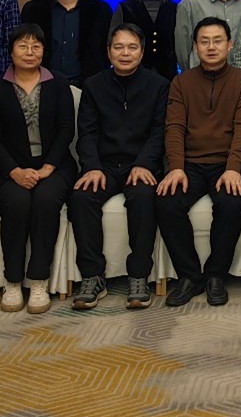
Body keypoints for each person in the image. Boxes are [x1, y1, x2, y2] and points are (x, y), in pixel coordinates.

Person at [0, 24, 76, 314]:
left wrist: (49, 166)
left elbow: (66, 129)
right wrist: (15, 171)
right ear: (11, 51)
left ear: (44, 51)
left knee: (45, 199)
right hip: (9, 168)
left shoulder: (58, 83)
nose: (30, 52)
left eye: (36, 46)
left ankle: (39, 280)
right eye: (23, 46)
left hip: (54, 165)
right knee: (16, 202)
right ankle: (13, 280)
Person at [66, 23, 170, 311]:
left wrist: (144, 163)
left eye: (132, 47)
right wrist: (92, 167)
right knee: (82, 198)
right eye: (119, 47)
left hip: (141, 165)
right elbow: (87, 132)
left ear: (142, 51)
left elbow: (159, 132)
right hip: (104, 165)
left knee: (144, 197)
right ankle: (92, 277)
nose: (125, 53)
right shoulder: (93, 85)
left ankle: (139, 276)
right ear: (109, 51)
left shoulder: (159, 85)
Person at [156, 18, 241, 307]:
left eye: (217, 41)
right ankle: (190, 276)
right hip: (190, 164)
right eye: (204, 41)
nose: (211, 47)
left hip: (227, 163)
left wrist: (233, 169)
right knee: (166, 202)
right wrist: (176, 167)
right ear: (195, 46)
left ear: (230, 45)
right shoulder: (181, 82)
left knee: (231, 202)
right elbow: (174, 127)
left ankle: (216, 275)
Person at [19, 0, 112, 87]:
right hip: (43, 85)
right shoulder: (33, 9)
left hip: (89, 86)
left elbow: (107, 50)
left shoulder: (100, 10)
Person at [114, 0, 178, 81]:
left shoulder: (175, 9)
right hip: (132, 78)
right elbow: (113, 43)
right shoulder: (125, 8)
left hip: (167, 78)